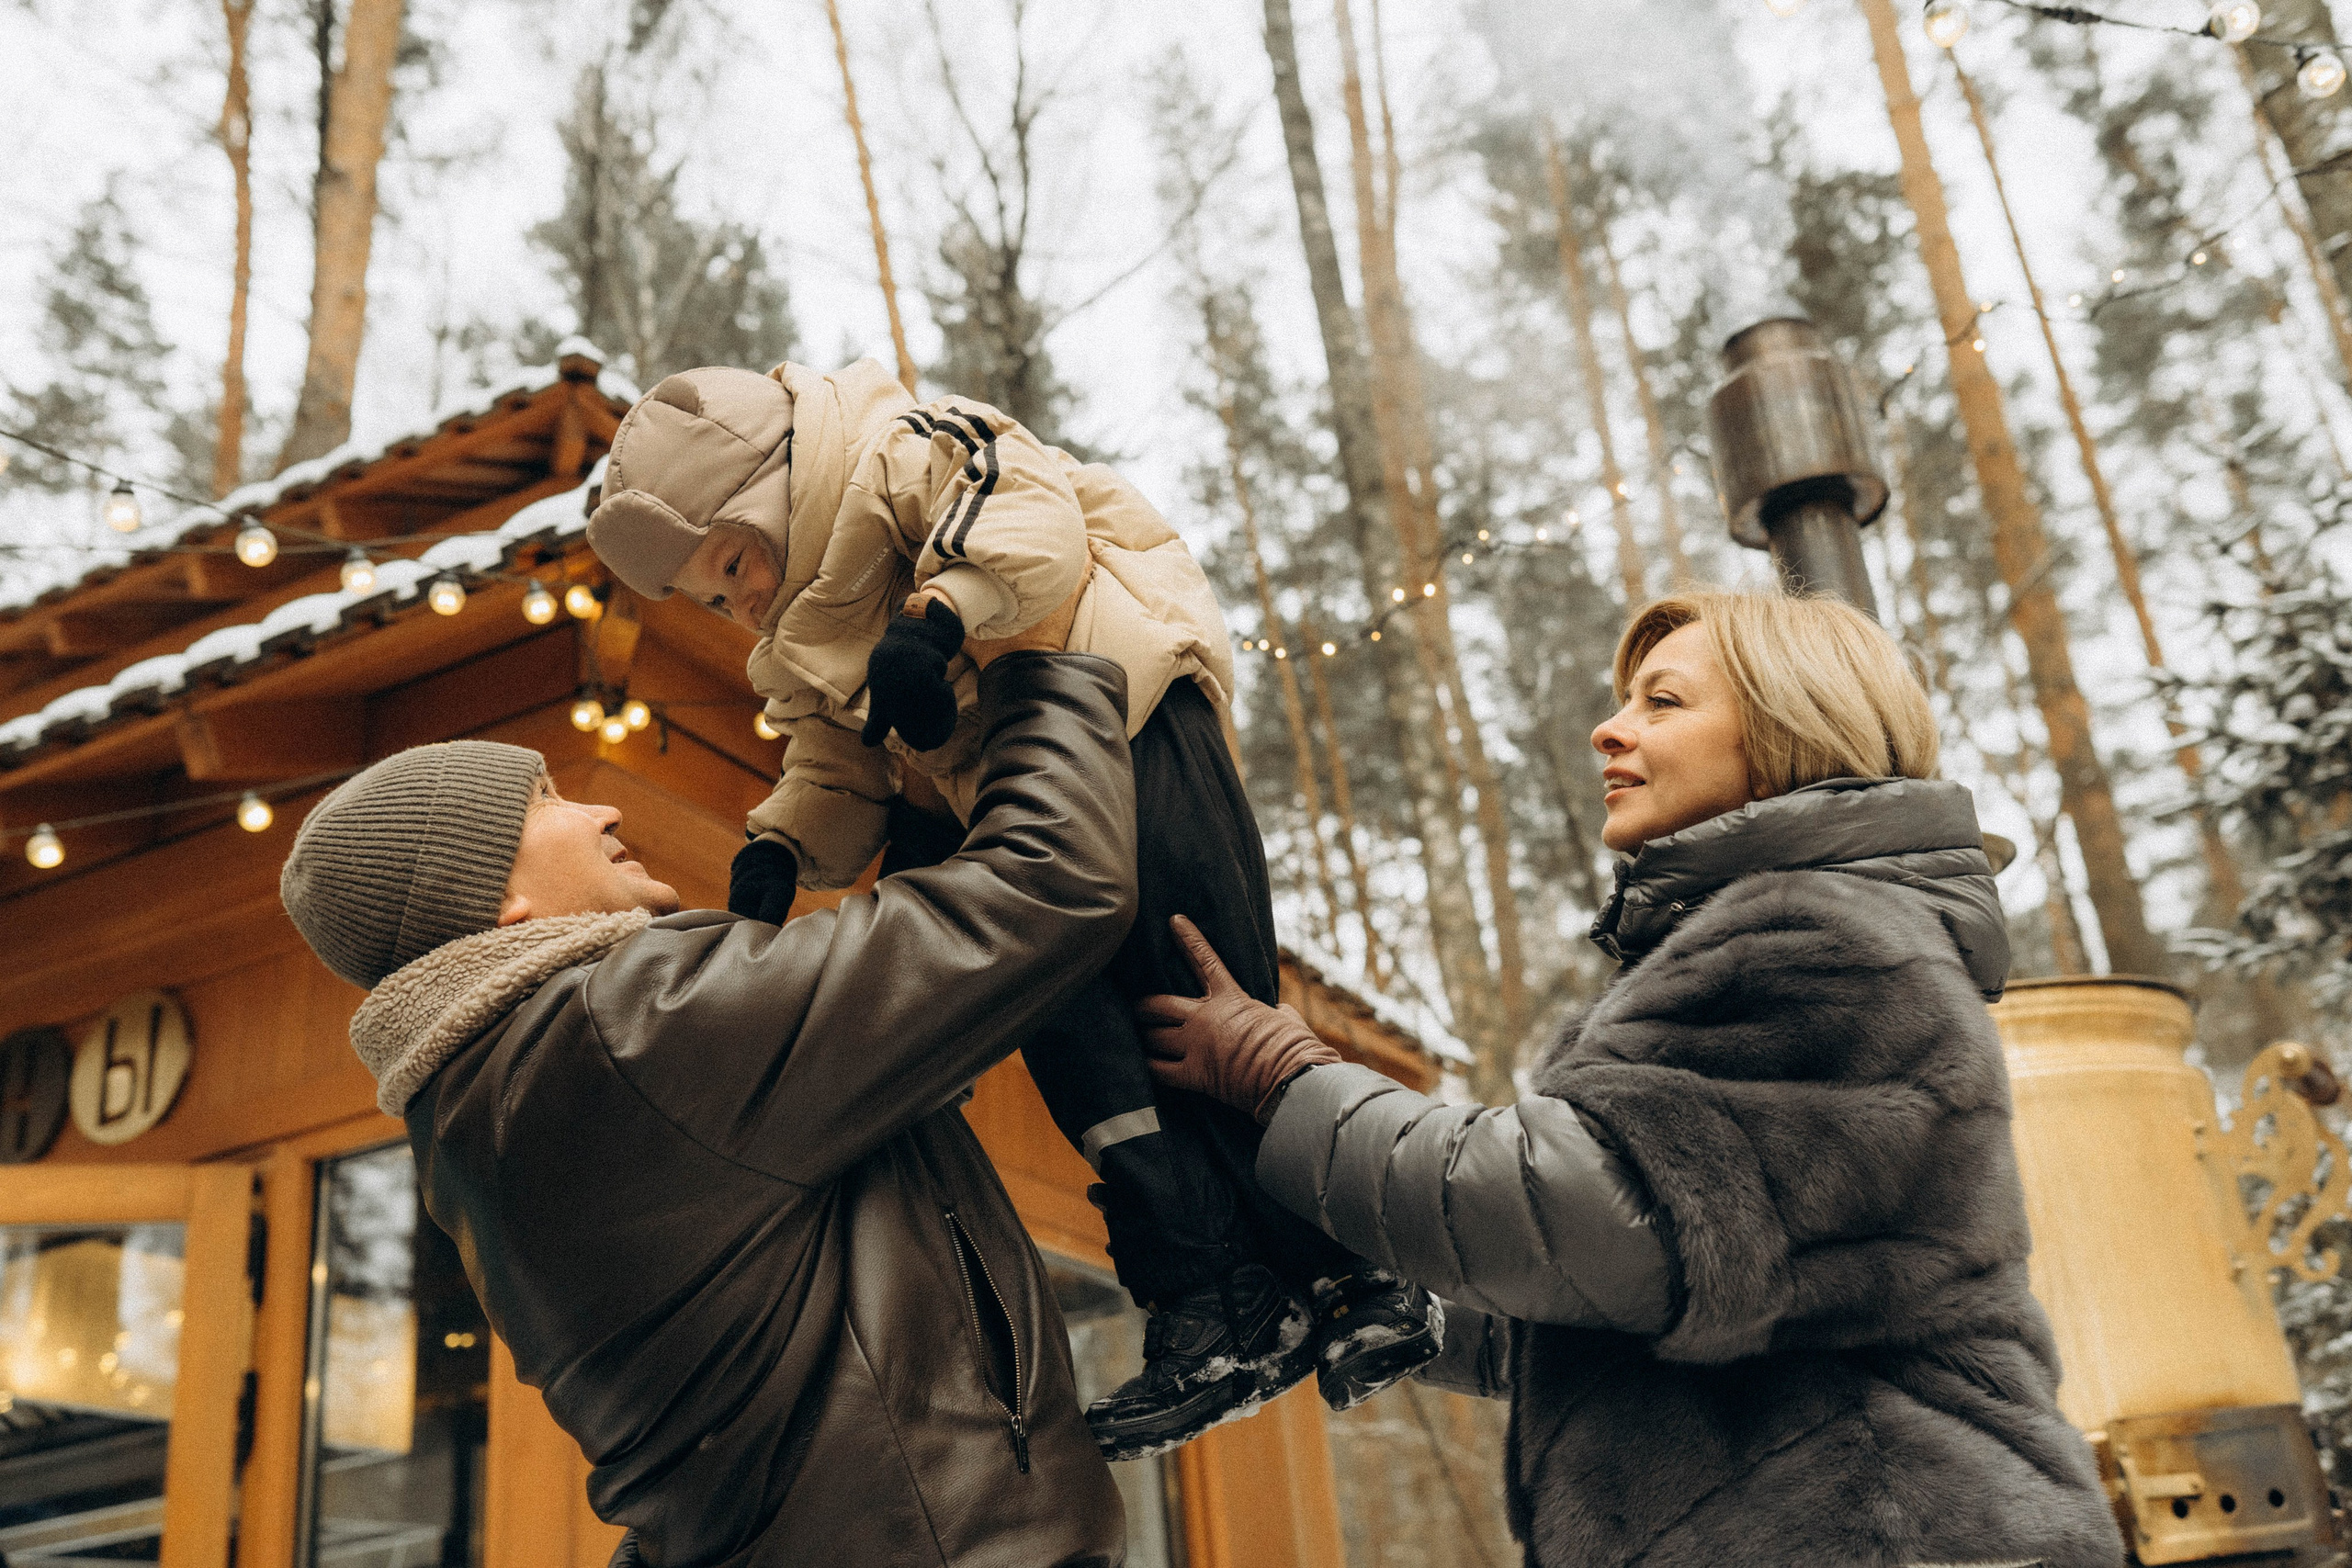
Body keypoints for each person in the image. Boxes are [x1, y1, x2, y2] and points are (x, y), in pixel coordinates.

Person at [1140, 590, 2127, 1568]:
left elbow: (1568, 1211)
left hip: (1895, 1532)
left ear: (1789, 728)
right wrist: (1380, 1292)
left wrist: (1282, 1074)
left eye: (1663, 702)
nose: (1610, 730)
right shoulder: (1770, 944)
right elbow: (1596, 1298)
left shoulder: (1823, 942)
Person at [582, 357, 1438, 1458]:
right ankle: (1217, 1297)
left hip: (1125, 719)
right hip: (1014, 817)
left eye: (736, 563)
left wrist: (938, 616)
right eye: (713, 597)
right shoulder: (796, 646)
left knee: (1204, 1004)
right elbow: (834, 760)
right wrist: (782, 847)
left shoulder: (903, 450)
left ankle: (1362, 1267)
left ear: (778, 484)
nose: (740, 602)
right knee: (1086, 1058)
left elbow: (1025, 515)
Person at [277, 644, 1135, 1567]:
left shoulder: (486, 1111)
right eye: (546, 801)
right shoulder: (627, 1032)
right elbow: (1051, 886)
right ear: (496, 898)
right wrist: (1039, 658)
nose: (602, 810)